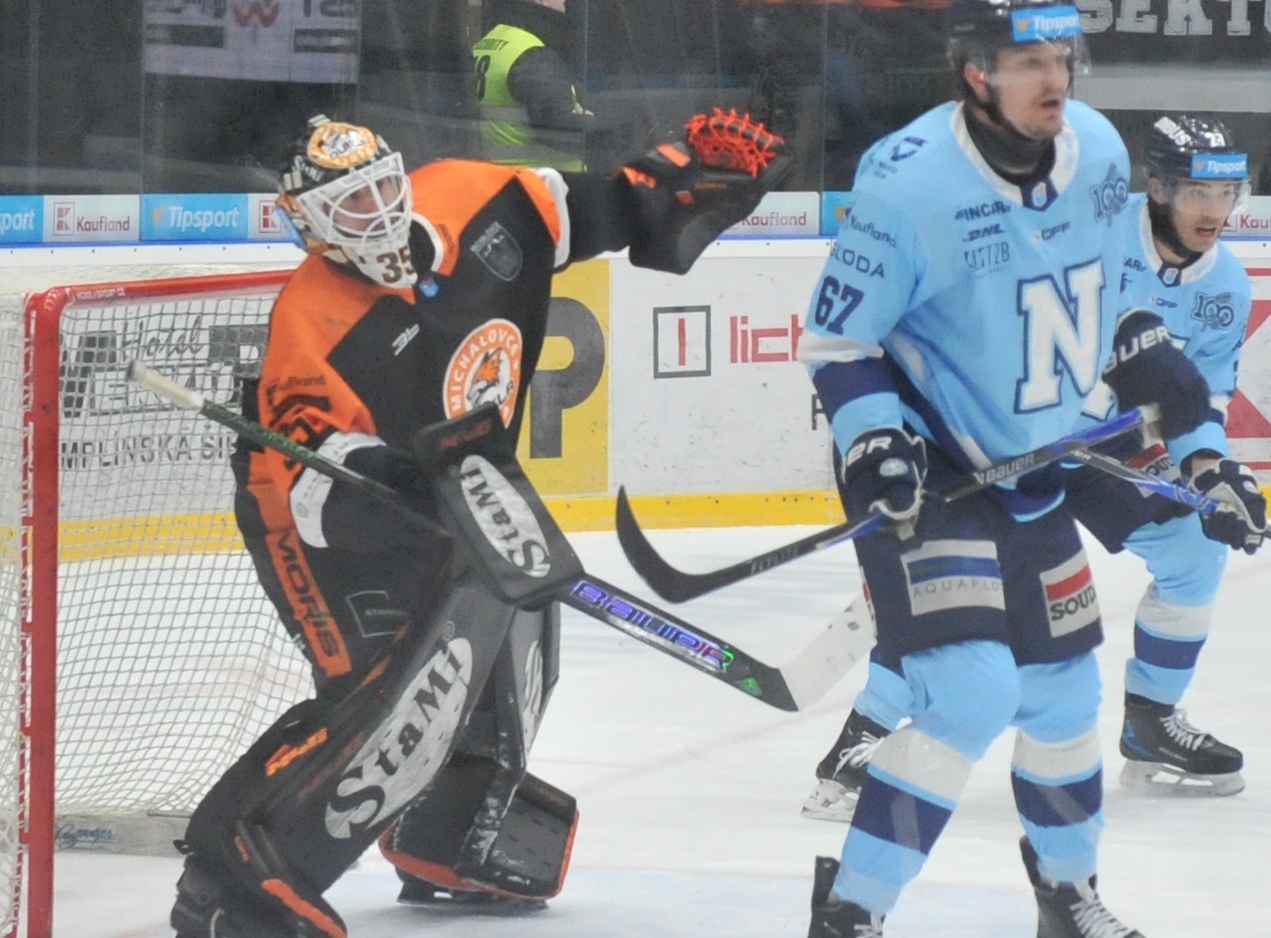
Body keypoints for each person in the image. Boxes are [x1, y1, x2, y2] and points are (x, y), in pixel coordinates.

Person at [167, 113, 789, 938]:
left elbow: (607, 208)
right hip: (322, 523)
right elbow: (312, 477)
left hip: (457, 483)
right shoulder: (310, 318)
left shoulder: (478, 194)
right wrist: (396, 481)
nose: (377, 215)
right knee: (388, 692)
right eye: (350, 207)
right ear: (308, 224)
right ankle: (228, 882)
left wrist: (682, 182)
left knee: (505, 639)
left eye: (382, 188)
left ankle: (448, 839)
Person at [795, 0, 1218, 934]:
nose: (1053, 78)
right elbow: (837, 342)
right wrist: (874, 441)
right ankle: (852, 913)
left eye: (1060, 57)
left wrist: (1144, 352)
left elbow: (1102, 296)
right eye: (1029, 62)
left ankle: (1066, 899)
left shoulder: (1097, 151)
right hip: (930, 473)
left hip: (1034, 469)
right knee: (970, 693)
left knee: (1062, 699)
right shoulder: (909, 182)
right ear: (974, 72)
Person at [805, 114, 1263, 825]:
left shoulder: (1226, 285)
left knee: (1192, 549)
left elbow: (1199, 399)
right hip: (1005, 433)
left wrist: (1211, 470)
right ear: (1157, 188)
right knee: (969, 592)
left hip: (1096, 449)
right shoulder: (1094, 230)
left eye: (1227, 193)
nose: (1215, 211)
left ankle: (1151, 722)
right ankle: (859, 742)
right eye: (1198, 193)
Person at [472, 0, 591, 168]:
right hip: (545, 179)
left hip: (505, 175)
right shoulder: (534, 56)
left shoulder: (487, 43)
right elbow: (560, 132)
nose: (565, 2)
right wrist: (591, 122)